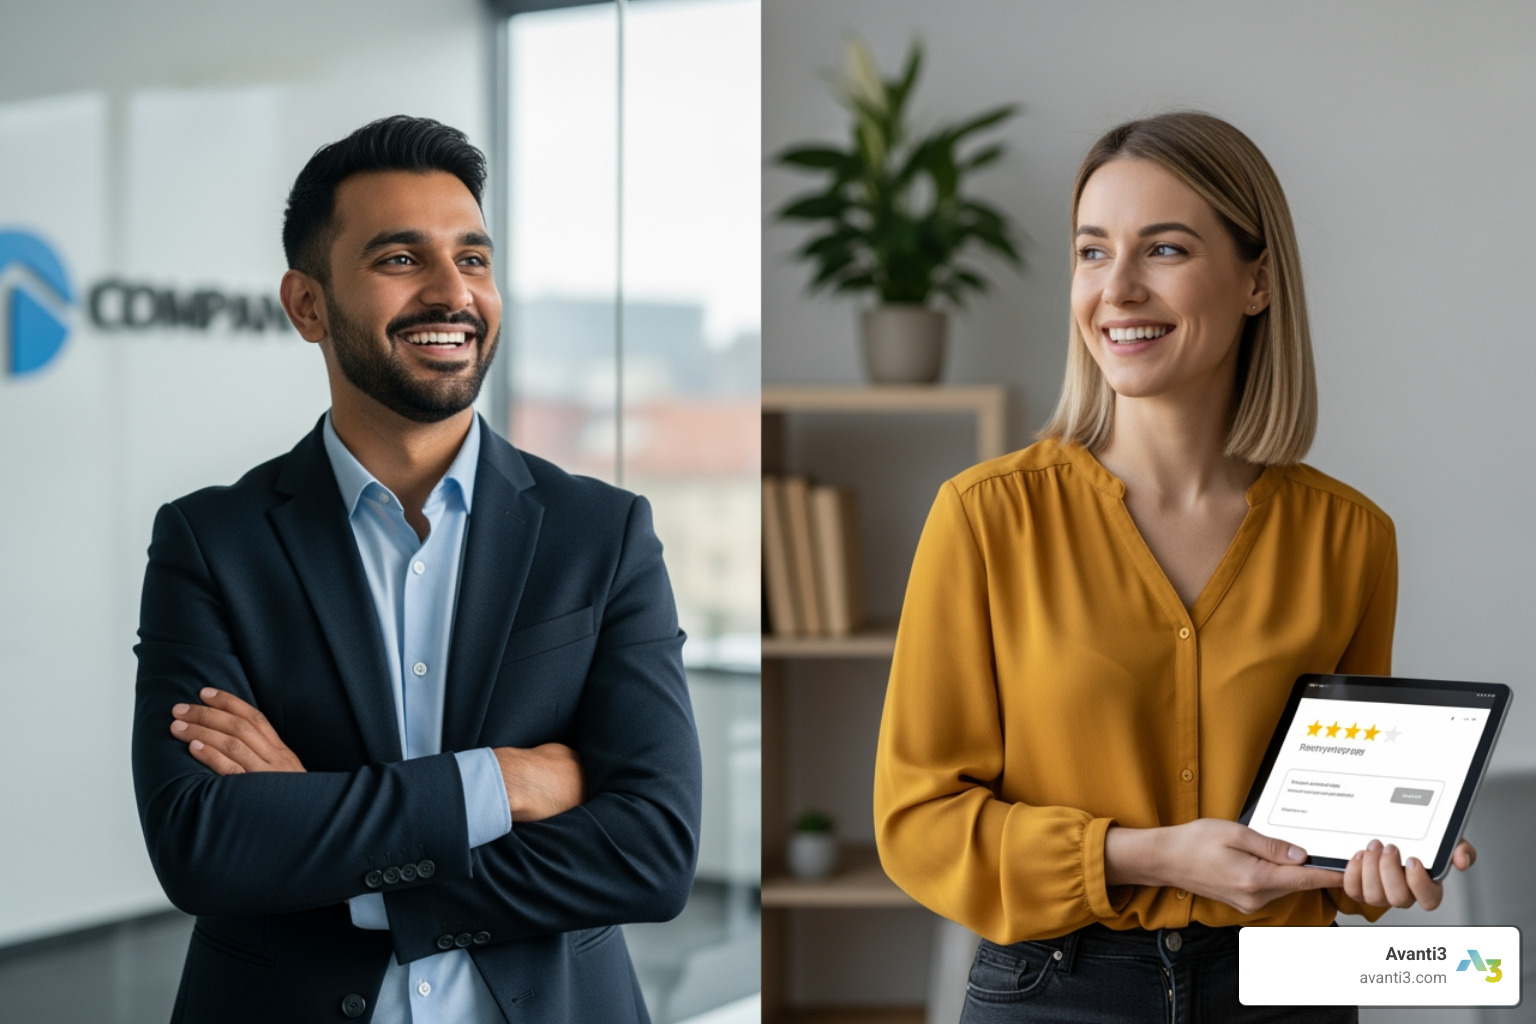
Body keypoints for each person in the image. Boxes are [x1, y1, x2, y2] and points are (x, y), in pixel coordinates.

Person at [872, 111, 1474, 1022]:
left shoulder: (1350, 538)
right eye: (1091, 252)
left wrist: (1384, 862)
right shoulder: (986, 519)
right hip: (1054, 989)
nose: (1117, 289)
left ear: (1257, 280)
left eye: (1163, 249)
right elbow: (917, 824)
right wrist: (1143, 854)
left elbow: (1334, 853)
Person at [130, 115, 702, 1024]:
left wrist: (326, 837)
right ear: (307, 304)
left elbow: (652, 851)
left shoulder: (602, 532)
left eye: (473, 259)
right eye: (401, 259)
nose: (452, 292)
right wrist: (502, 784)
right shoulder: (212, 541)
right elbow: (202, 843)